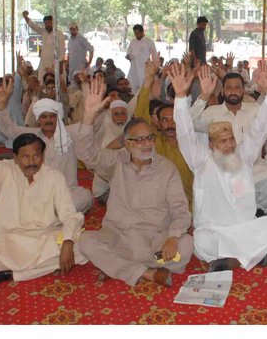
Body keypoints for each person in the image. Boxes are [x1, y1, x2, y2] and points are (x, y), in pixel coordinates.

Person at [171, 61, 267, 272]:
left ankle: (233, 258)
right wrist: (181, 97)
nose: (228, 145)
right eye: (222, 141)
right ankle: (248, 255)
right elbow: (184, 133)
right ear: (211, 145)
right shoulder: (201, 161)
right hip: (214, 231)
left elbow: (259, 130)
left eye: (231, 140)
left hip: (243, 228)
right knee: (201, 242)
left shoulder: (243, 156)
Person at [75, 77, 192, 287]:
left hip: (154, 239)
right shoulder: (115, 161)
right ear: (127, 144)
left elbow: (181, 209)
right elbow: (86, 153)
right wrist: (89, 117)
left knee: (186, 247)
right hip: (118, 236)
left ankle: (116, 266)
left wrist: (173, 237)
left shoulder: (166, 168)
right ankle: (145, 272)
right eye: (139, 140)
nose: (146, 144)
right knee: (85, 241)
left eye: (149, 138)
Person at [0, 105, 86, 284]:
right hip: (8, 239)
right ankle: (33, 270)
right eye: (25, 157)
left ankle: (12, 274)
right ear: (15, 157)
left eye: (36, 156)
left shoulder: (53, 177)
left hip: (43, 238)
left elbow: (69, 215)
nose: (31, 162)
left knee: (82, 247)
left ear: (42, 156)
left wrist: (67, 243)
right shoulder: (4, 171)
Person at [0, 77, 93, 213]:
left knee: (85, 197)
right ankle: (52, 214)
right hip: (39, 192)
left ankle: (47, 214)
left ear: (57, 117)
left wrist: (91, 106)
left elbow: (89, 126)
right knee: (4, 197)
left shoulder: (71, 133)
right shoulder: (32, 137)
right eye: (44, 116)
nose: (48, 120)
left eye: (52, 116)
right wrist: (1, 107)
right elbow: (8, 128)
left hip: (66, 191)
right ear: (38, 119)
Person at [134, 54, 194, 209]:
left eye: (173, 119)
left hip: (187, 205)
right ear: (158, 124)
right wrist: (148, 80)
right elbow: (139, 117)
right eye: (165, 120)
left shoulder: (191, 143)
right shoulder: (155, 143)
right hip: (158, 204)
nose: (170, 124)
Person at [22, 11, 66, 81]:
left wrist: (60, 66)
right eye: (46, 23)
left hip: (55, 64)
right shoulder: (43, 32)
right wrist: (25, 17)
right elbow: (33, 26)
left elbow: (62, 50)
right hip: (44, 63)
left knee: (56, 84)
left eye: (49, 23)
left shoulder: (59, 34)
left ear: (53, 23)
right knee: (42, 82)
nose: (47, 25)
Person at [126, 24, 157, 93]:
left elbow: (154, 56)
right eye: (135, 34)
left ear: (142, 32)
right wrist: (128, 56)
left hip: (145, 69)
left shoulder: (149, 41)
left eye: (137, 33)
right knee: (131, 88)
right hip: (133, 68)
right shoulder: (133, 41)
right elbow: (128, 52)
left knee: (144, 88)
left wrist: (154, 68)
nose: (136, 35)